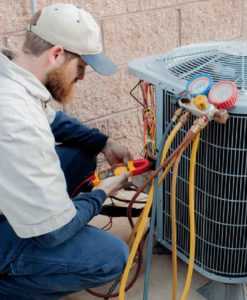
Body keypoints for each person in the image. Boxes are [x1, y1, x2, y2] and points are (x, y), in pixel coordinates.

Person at [0, 3, 132, 299]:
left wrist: (103, 143)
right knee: (111, 257)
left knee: (81, 154)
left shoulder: (11, 73)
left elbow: (54, 119)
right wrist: (103, 192)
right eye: (81, 67)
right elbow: (54, 233)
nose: (82, 77)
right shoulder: (18, 122)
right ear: (57, 54)